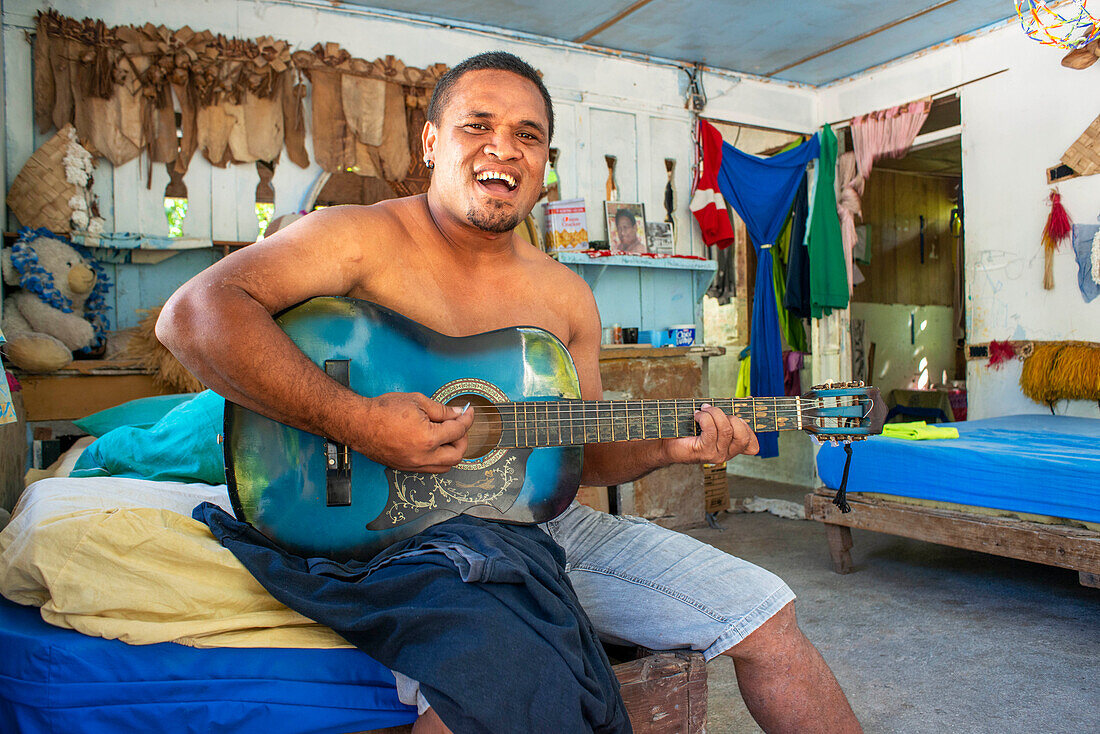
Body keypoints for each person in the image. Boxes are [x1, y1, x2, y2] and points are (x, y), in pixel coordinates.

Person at [157, 51, 861, 734]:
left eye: (529, 135)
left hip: (535, 526)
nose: (505, 148)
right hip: (388, 537)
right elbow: (192, 316)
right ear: (432, 143)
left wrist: (665, 446)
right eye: (478, 125)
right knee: (497, 678)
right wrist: (357, 421)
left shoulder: (562, 296)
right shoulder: (357, 237)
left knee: (769, 613)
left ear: (544, 163)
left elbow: (573, 457)